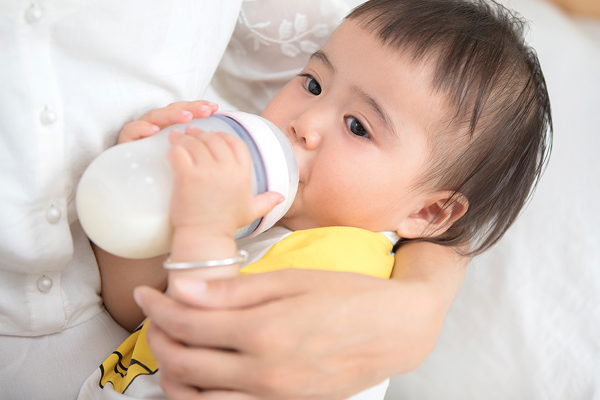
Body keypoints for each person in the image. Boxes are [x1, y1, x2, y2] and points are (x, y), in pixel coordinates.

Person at [0, 1, 474, 399]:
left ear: (427, 211)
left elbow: (202, 363)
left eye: (357, 127)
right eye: (313, 84)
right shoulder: (278, 221)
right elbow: (142, 317)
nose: (304, 124)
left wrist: (203, 232)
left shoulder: (341, 269)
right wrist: (143, 199)